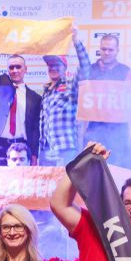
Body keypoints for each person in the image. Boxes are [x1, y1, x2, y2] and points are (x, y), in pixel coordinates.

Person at [0, 27, 41, 166]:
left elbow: (35, 129)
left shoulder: (35, 98)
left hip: (21, 147)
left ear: (25, 69)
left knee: (19, 180)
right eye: (11, 67)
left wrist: (34, 153)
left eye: (18, 67)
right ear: (8, 70)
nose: (15, 70)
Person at [38, 26, 91, 166]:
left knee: (64, 180)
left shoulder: (70, 86)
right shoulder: (46, 92)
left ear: (65, 67)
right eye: (50, 65)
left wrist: (76, 41)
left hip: (65, 149)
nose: (52, 68)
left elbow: (85, 66)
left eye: (56, 64)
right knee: (46, 181)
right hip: (46, 151)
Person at [83, 34, 130, 161]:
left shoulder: (126, 72)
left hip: (118, 133)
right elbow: (81, 100)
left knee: (116, 168)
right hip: (94, 131)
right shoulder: (90, 70)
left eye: (111, 50)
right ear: (99, 49)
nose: (107, 53)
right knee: (91, 167)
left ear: (117, 50)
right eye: (104, 49)